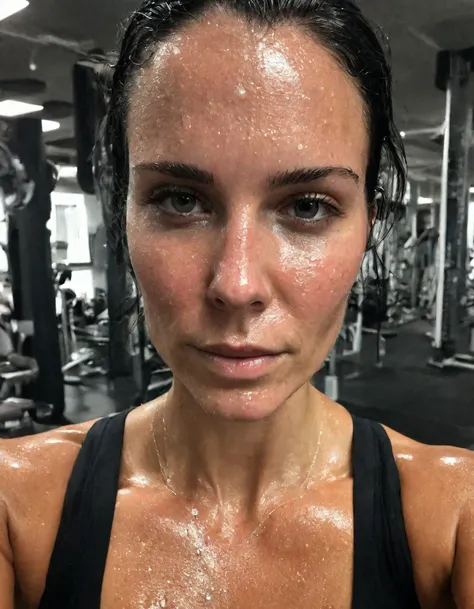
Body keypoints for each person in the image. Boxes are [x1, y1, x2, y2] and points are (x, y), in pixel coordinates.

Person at [0, 0, 473, 607]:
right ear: (124, 216)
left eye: (307, 207)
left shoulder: (452, 520)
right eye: (179, 200)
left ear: (367, 230)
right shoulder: (18, 507)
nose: (237, 284)